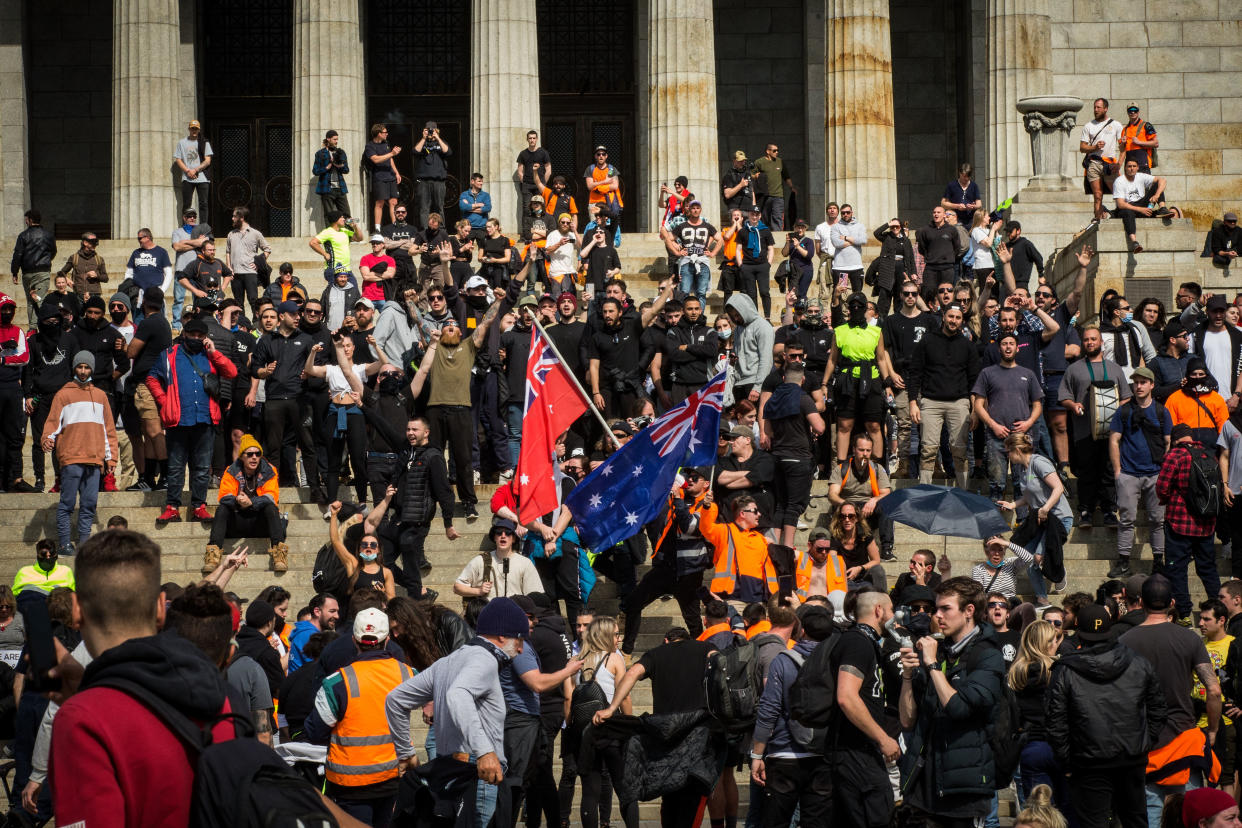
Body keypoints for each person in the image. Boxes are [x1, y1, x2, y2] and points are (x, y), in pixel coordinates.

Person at [49, 531, 252, 828]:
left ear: (76, 610)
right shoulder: (224, 697)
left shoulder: (81, 720)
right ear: (160, 608)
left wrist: (85, 703)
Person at [385, 598, 532, 828]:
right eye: (520, 640)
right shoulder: (485, 659)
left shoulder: (448, 661)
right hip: (477, 773)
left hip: (450, 772)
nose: (521, 649)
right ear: (502, 636)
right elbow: (458, 694)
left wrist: (405, 753)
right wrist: (484, 752)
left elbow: (395, 699)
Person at [1045, 603, 1167, 828]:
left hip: (1094, 759)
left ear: (1079, 632)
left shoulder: (1067, 669)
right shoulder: (1138, 662)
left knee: (1098, 822)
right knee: (1134, 819)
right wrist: (1144, 742)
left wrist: (1068, 760)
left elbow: (1056, 721)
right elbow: (1158, 708)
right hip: (1122, 757)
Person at [898, 577, 1006, 825]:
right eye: (937, 609)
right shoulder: (938, 650)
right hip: (923, 785)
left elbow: (958, 708)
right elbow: (907, 720)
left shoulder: (988, 655)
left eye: (946, 608)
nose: (937, 616)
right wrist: (907, 675)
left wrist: (933, 666)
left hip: (963, 789)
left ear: (969, 611)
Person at [1121, 575, 1222, 824]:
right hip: (1184, 740)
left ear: (1141, 602)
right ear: (1173, 603)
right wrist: (1212, 729)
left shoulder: (1124, 642)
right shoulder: (1189, 639)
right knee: (1190, 814)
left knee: (1151, 815)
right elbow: (1214, 690)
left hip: (1143, 742)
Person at [593, 626, 717, 826]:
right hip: (697, 734)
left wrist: (612, 707)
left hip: (665, 735)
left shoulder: (657, 653)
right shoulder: (704, 648)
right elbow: (719, 662)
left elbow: (632, 672)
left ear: (666, 640)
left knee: (669, 791)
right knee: (690, 796)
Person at [305, 607, 412, 827]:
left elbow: (315, 732)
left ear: (354, 640)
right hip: (392, 778)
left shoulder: (337, 682)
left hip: (349, 784)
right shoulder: (407, 674)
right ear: (388, 639)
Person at [146, 318, 238, 525]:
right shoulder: (169, 355)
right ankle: (172, 507)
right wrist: (164, 400)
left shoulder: (210, 355)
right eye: (192, 334)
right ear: (184, 334)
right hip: (178, 419)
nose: (196, 338)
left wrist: (214, 352)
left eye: (200, 335)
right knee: (176, 467)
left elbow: (231, 372)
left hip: (205, 418)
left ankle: (199, 506)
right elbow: (151, 378)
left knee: (202, 467)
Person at [622, 469, 714, 654]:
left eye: (694, 478)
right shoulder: (678, 499)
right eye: (687, 476)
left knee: (693, 620)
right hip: (666, 567)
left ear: (706, 483)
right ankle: (626, 652)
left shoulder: (708, 505)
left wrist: (678, 499)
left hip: (688, 572)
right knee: (633, 603)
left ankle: (704, 656)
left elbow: (690, 527)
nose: (688, 480)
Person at [829, 590, 899, 827]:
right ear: (878, 610)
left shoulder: (866, 642)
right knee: (879, 817)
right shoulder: (857, 642)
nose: (894, 618)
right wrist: (883, 738)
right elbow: (846, 697)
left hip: (863, 752)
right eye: (891, 610)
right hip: (854, 753)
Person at [41, 350, 118, 555]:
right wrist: (47, 438)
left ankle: (84, 544)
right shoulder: (63, 394)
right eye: (80, 367)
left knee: (89, 504)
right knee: (67, 503)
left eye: (87, 367)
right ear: (74, 368)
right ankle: (65, 543)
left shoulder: (101, 396)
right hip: (71, 457)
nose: (83, 371)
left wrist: (111, 458)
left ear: (92, 369)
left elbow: (108, 430)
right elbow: (52, 423)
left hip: (94, 459)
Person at [1061, 324, 1132, 528]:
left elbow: (1127, 397)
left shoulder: (1114, 368)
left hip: (1111, 434)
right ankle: (1085, 511)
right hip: (1084, 431)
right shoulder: (1073, 369)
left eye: (1093, 339)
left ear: (1101, 342)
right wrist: (1073, 405)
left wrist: (1117, 408)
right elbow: (1065, 396)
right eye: (1086, 340)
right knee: (1087, 472)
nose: (1090, 342)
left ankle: (1110, 511)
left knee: (1109, 472)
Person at [572, 617, 637, 828]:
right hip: (611, 730)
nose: (618, 639)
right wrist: (630, 724)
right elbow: (624, 696)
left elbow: (569, 698)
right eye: (616, 634)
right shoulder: (614, 659)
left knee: (590, 790)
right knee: (624, 787)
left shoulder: (578, 659)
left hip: (586, 731)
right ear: (606, 636)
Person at [1108, 366, 1172, 577]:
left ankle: (1158, 562)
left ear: (1152, 385)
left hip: (1156, 473)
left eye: (1143, 382)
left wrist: (1165, 472)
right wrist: (1118, 471)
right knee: (1126, 519)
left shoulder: (1162, 411)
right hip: (1128, 473)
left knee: (1157, 520)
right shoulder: (1123, 410)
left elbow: (1168, 442)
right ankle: (1124, 561)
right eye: (1135, 382)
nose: (1139, 386)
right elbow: (1114, 440)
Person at [910, 302, 981, 489]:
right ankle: (924, 490)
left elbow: (974, 380)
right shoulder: (927, 341)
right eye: (951, 316)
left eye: (958, 318)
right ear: (943, 316)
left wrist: (975, 410)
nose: (954, 321)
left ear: (962, 321)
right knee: (928, 450)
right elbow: (915, 373)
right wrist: (912, 403)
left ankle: (963, 491)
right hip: (930, 402)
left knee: (960, 450)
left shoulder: (967, 345)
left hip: (959, 402)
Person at [1158, 423, 1224, 622]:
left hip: (1179, 522)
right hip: (1206, 524)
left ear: (1175, 438)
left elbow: (1162, 487)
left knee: (1176, 568)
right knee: (1208, 568)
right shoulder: (1208, 455)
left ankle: (1184, 613)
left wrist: (1167, 499)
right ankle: (1219, 611)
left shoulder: (1175, 456)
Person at [973, 331, 1043, 501]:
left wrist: (1029, 423)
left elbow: (1038, 405)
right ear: (999, 348)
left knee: (1023, 483)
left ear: (1017, 348)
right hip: (997, 435)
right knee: (996, 484)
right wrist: (993, 425)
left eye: (1011, 343)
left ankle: (1023, 521)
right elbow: (978, 405)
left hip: (1022, 437)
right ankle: (996, 521)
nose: (1008, 347)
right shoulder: (987, 373)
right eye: (1004, 344)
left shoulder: (1028, 374)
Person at [822, 291, 891, 463]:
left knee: (874, 425)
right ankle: (841, 467)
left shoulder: (876, 331)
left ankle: (876, 468)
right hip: (847, 379)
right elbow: (832, 359)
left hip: (871, 378)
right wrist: (825, 383)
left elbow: (881, 359)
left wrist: (887, 384)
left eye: (861, 306)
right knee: (845, 424)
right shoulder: (839, 331)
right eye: (853, 306)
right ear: (849, 309)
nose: (856, 309)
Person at [203, 433, 286, 573]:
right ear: (242, 456)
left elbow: (271, 497)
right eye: (250, 454)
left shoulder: (270, 471)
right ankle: (213, 555)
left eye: (257, 454)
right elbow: (224, 496)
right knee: (222, 509)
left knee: (271, 508)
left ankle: (279, 555)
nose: (254, 457)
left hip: (260, 523)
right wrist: (237, 500)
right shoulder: (231, 471)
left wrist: (251, 502)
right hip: (237, 520)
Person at [1196, 598, 1236, 788]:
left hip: (1225, 722)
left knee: (1225, 778)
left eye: (1206, 619)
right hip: (1197, 721)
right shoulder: (1196, 645)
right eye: (1200, 619)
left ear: (1221, 620)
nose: (1200, 623)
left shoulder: (1233, 645)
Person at [9, 209, 57, 327]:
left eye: (26, 219)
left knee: (31, 301)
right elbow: (53, 251)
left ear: (30, 220)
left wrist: (15, 272)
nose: (25, 222)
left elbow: (18, 254)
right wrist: (45, 261)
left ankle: (33, 328)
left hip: (28, 272)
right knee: (40, 299)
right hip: (42, 271)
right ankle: (43, 326)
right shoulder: (48, 234)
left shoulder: (23, 235)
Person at [1113, 158, 1170, 254]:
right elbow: (1121, 204)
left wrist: (1156, 195)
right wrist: (1141, 210)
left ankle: (1162, 209)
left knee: (1157, 184)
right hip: (1128, 207)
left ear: (1137, 168)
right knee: (1128, 213)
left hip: (1142, 205)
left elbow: (1163, 180)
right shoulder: (1119, 181)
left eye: (1134, 166)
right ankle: (1134, 242)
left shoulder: (1140, 176)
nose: (1132, 169)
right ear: (1125, 168)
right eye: (1129, 166)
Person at [1080, 97, 1124, 221]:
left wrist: (1119, 164)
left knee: (1118, 193)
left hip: (1110, 164)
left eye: (1098, 107)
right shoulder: (1089, 126)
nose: (1096, 109)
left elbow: (1123, 148)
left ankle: (1122, 215)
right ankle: (1098, 219)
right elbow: (1082, 147)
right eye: (1094, 107)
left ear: (1105, 109)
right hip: (1094, 163)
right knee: (1098, 195)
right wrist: (1094, 147)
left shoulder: (1116, 125)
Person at [413, 122, 451, 230]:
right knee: (424, 208)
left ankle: (441, 230)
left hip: (439, 181)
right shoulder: (422, 142)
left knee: (439, 207)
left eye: (432, 130)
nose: (430, 132)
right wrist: (424, 138)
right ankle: (425, 231)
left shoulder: (441, 142)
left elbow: (448, 152)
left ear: (437, 130)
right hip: (424, 182)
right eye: (428, 129)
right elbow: (415, 151)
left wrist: (437, 138)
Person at [288, 593, 341, 672]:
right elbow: (320, 669)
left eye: (337, 611)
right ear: (317, 612)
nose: (337, 616)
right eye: (332, 611)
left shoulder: (306, 632)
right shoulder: (309, 635)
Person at [364, 124, 402, 231]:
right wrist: (392, 153)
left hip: (391, 176)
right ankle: (377, 228)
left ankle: (395, 226)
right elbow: (375, 159)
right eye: (385, 132)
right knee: (380, 202)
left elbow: (390, 159)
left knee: (393, 202)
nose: (387, 134)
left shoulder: (386, 144)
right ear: (379, 134)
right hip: (379, 177)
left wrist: (396, 173)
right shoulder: (370, 146)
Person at [174, 119, 212, 215]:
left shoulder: (204, 142)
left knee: (203, 204)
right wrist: (187, 171)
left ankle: (203, 228)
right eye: (192, 128)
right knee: (186, 204)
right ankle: (186, 227)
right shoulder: (181, 143)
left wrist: (195, 170)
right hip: (187, 178)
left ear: (199, 130)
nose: (194, 130)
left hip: (202, 178)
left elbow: (208, 161)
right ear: (189, 129)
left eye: (196, 129)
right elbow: (178, 159)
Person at [314, 129, 352, 219]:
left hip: (340, 188)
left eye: (337, 139)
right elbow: (315, 171)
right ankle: (330, 233)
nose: (336, 141)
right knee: (329, 215)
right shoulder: (320, 154)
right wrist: (327, 167)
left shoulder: (340, 152)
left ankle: (348, 233)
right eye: (334, 139)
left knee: (346, 214)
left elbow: (346, 170)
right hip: (327, 189)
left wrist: (339, 165)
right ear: (328, 139)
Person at [828, 204, 866, 293]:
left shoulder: (860, 226)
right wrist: (854, 241)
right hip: (841, 267)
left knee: (857, 294)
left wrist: (845, 238)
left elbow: (863, 240)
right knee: (840, 293)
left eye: (848, 212)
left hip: (856, 266)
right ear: (840, 214)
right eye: (843, 213)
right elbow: (836, 243)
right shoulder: (836, 227)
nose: (846, 214)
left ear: (852, 213)